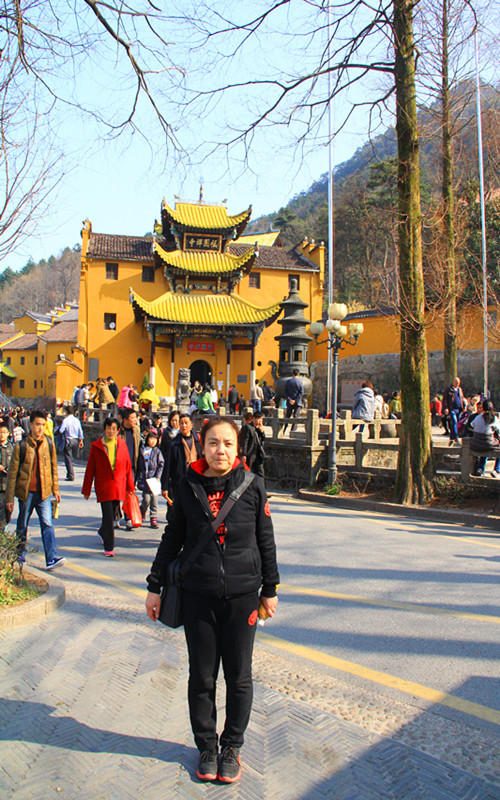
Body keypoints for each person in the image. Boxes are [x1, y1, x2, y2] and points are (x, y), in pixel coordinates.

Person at [145, 417, 279, 783]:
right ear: (201, 447)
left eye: (228, 444)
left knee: (239, 676)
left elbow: (265, 539)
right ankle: (206, 746)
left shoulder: (252, 485)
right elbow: (173, 537)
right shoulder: (188, 485)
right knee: (202, 676)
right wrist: (154, 585)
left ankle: (232, 745)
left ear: (238, 449)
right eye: (213, 443)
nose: (221, 450)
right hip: (198, 595)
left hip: (242, 595)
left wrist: (270, 588)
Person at [5, 409, 64, 570]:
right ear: (30, 425)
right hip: (26, 493)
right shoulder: (21, 446)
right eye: (37, 424)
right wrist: (9, 498)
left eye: (43, 425)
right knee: (22, 525)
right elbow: (12, 474)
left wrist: (56, 490)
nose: (40, 428)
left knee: (47, 524)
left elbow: (54, 468)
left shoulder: (49, 443)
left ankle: (51, 557)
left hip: (44, 493)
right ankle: (19, 554)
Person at [82, 417, 135, 556]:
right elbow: (90, 469)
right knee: (108, 516)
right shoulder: (97, 446)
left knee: (113, 514)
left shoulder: (122, 444)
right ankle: (109, 546)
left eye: (113, 429)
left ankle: (101, 531)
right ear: (104, 429)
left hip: (118, 485)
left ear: (117, 430)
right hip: (104, 485)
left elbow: (128, 466)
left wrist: (130, 486)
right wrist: (86, 489)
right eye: (108, 428)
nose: (111, 431)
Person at [161, 413, 202, 503]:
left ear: (191, 425)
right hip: (179, 481)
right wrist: (165, 486)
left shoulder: (198, 441)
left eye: (186, 423)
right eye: (181, 423)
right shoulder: (174, 444)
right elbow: (168, 466)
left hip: (196, 481)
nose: (184, 426)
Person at [137, 429, 164, 529]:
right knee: (146, 499)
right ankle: (142, 510)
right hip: (145, 479)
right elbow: (139, 465)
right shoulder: (142, 450)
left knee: (154, 500)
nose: (153, 441)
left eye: (155, 439)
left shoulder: (157, 451)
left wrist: (158, 476)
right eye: (151, 439)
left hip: (154, 480)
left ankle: (153, 518)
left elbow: (161, 464)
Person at [470, 400, 500, 477]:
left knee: (484, 444)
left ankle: (480, 468)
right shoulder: (494, 418)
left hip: (476, 444)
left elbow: (472, 425)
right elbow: (498, 431)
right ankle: (497, 469)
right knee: (490, 444)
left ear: (483, 408)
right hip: (487, 444)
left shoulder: (478, 417)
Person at [57, 406, 84, 481]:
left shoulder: (66, 420)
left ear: (66, 412)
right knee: (72, 457)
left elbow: (61, 430)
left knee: (68, 458)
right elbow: (80, 431)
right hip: (76, 440)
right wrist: (81, 440)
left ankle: (70, 475)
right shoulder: (77, 420)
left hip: (68, 440)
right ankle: (70, 473)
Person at [240, 410, 266, 478]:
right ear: (254, 418)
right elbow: (245, 441)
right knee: (248, 471)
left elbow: (263, 439)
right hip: (250, 453)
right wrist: (244, 454)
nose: (260, 421)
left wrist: (262, 432)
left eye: (261, 419)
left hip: (258, 453)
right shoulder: (248, 427)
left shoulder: (259, 428)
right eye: (259, 419)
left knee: (261, 472)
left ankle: (261, 488)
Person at [444, 376, 465, 446]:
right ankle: (456, 437)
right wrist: (446, 407)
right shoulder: (448, 389)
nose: (457, 384)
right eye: (456, 383)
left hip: (459, 409)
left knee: (457, 423)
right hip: (452, 408)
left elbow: (462, 398)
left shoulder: (459, 389)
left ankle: (452, 437)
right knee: (454, 421)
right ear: (453, 382)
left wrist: (463, 406)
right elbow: (445, 399)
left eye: (458, 383)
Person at [0, 422, 13, 529]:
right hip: (0, 485)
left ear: (8, 433)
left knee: (8, 511)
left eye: (4, 432)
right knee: (1, 510)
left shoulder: (12, 447)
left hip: (8, 484)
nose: (2, 435)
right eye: (0, 432)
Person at [283, 369, 304, 434]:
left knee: (287, 416)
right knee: (296, 416)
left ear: (292, 373)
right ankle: (293, 431)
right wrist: (296, 400)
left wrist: (290, 400)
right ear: (298, 374)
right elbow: (301, 393)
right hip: (297, 403)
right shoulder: (300, 382)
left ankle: (284, 430)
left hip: (289, 402)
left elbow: (285, 393)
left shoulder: (287, 382)